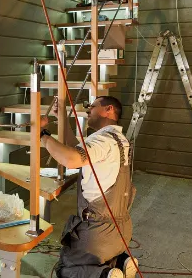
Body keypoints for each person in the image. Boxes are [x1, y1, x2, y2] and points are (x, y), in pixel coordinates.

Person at [40, 96, 136, 278]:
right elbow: (76, 150)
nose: (87, 110)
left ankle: (104, 275)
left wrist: (42, 134)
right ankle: (121, 261)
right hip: (121, 231)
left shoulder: (103, 140)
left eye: (92, 106)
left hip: (97, 233)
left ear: (108, 109)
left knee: (65, 268)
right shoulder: (119, 140)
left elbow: (71, 159)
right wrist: (62, 117)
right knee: (99, 256)